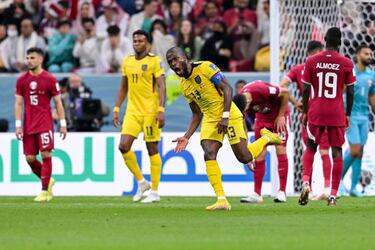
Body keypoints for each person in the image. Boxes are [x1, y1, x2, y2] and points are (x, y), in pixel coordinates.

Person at [166, 47, 282, 210]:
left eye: (176, 59)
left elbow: (228, 88)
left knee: (244, 157)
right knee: (208, 152)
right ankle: (221, 199)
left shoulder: (206, 67)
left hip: (230, 113)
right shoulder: (184, 86)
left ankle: (267, 138)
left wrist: (225, 116)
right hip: (211, 118)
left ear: (186, 57)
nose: (173, 64)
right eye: (170, 62)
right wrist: (187, 136)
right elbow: (196, 115)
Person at [299, 27, 356, 206]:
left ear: (324, 39)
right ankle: (332, 194)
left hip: (316, 110)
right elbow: (351, 91)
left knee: (311, 146)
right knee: (337, 151)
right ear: (340, 42)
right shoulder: (346, 63)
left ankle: (306, 181)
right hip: (336, 112)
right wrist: (347, 114)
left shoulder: (312, 61)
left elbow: (306, 89)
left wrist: (306, 111)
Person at [113, 30, 166, 203]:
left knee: (152, 148)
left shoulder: (154, 61)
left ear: (148, 44)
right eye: (134, 40)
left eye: (140, 40)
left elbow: (162, 86)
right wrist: (116, 108)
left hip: (150, 112)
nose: (136, 43)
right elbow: (123, 87)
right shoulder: (127, 61)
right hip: (132, 112)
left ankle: (155, 191)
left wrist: (161, 109)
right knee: (123, 146)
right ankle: (142, 182)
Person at [280, 40, 332, 200]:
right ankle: (328, 187)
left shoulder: (298, 69)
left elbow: (283, 86)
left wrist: (296, 103)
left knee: (309, 148)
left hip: (309, 115)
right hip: (328, 113)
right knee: (325, 151)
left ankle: (306, 182)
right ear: (317, 52)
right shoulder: (326, 68)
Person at [14, 47, 67, 202]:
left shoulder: (50, 79)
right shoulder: (21, 80)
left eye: (32, 58)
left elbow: (58, 102)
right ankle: (48, 180)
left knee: (46, 154)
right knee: (30, 159)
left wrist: (63, 123)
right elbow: (18, 103)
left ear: (40, 59)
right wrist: (18, 125)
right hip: (28, 124)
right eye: (27, 58)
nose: (29, 61)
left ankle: (44, 191)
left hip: (44, 123)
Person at [233, 80, 290, 203]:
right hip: (262, 118)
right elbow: (243, 127)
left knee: (280, 148)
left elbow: (285, 93)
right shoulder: (239, 104)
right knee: (259, 153)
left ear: (248, 103)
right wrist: (246, 150)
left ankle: (282, 192)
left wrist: (281, 116)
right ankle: (257, 194)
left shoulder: (261, 90)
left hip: (278, 114)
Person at [341, 44, 375, 197]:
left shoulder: (371, 75)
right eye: (366, 54)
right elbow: (340, 92)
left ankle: (354, 188)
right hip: (350, 116)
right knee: (354, 150)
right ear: (358, 55)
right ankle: (339, 181)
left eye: (370, 54)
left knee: (359, 152)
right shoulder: (350, 73)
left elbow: (372, 95)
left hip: (364, 117)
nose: (369, 56)